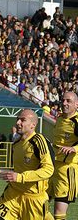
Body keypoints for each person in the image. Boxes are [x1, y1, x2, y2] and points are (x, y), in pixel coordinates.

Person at [0, 109, 54, 220]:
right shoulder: (16, 144)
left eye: (22, 120)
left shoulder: (39, 141)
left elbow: (48, 169)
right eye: (17, 119)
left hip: (34, 198)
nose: (18, 123)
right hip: (13, 193)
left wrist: (21, 177)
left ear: (32, 125)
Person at [51, 91, 78, 220]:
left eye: (68, 101)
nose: (64, 103)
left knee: (59, 213)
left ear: (76, 104)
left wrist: (74, 148)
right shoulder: (60, 118)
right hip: (52, 166)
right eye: (63, 100)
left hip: (67, 170)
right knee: (36, 202)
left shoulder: (77, 121)